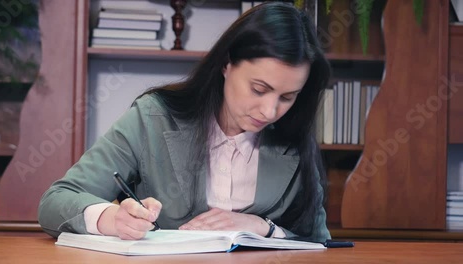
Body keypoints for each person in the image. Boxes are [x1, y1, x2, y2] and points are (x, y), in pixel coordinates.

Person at [38, 2, 331, 243]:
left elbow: (321, 243)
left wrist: (263, 227)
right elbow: (56, 201)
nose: (269, 111)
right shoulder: (153, 118)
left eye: (288, 97)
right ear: (227, 64)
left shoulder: (294, 140)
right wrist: (111, 219)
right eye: (259, 89)